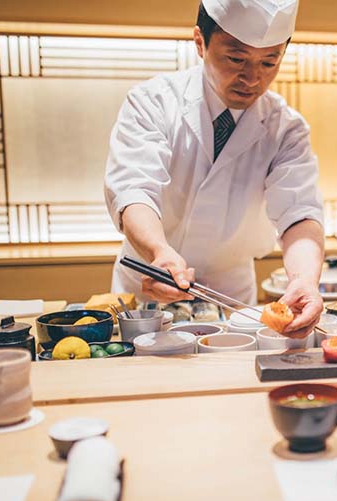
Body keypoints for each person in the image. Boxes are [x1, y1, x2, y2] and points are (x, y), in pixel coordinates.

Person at [104, 0, 324, 338]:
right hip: (150, 280)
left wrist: (304, 279)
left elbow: (299, 212)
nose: (253, 78)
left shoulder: (286, 128)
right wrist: (158, 252)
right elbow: (134, 189)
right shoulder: (152, 101)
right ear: (200, 42)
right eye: (236, 59)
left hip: (231, 291)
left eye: (269, 61)